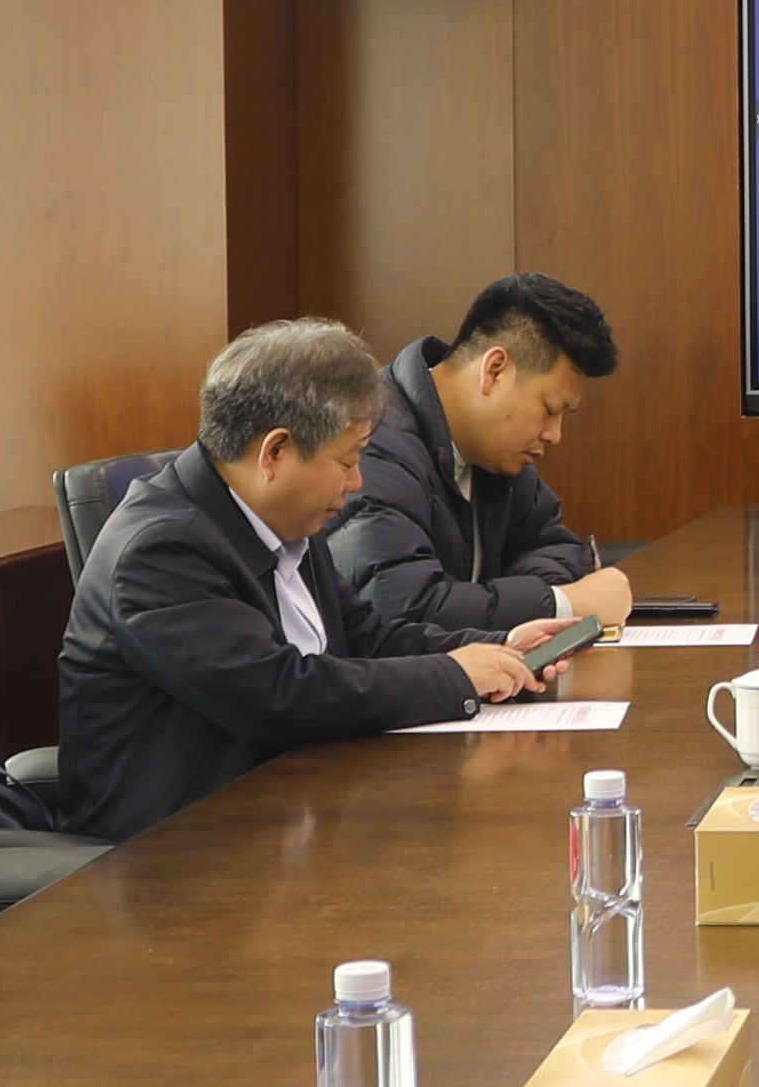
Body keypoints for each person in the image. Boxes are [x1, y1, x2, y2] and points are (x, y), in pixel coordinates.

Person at [52, 317, 552, 844]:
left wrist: (496, 650)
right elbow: (280, 694)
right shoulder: (159, 552)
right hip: (175, 850)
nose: (356, 482)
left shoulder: (282, 518)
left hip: (292, 814)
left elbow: (364, 638)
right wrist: (454, 677)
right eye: (346, 461)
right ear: (275, 452)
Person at [330, 274, 637, 643]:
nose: (554, 434)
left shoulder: (496, 455)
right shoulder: (374, 445)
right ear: (494, 371)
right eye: (550, 409)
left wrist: (534, 601)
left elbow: (549, 543)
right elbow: (402, 609)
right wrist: (562, 604)